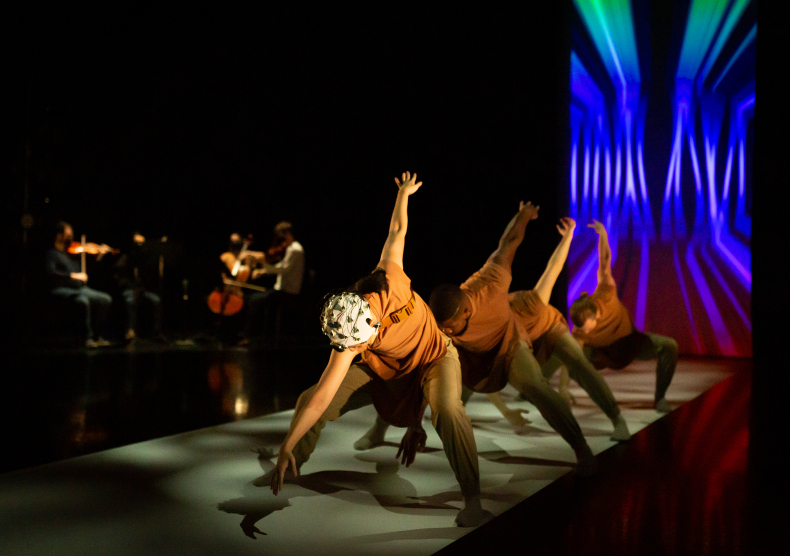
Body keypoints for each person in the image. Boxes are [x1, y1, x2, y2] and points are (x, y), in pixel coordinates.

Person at [270, 172, 490, 527]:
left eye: (355, 345)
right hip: (385, 363)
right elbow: (321, 398)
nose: (349, 350)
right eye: (348, 347)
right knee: (306, 398)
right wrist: (286, 444)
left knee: (448, 410)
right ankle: (292, 462)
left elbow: (397, 232)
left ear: (369, 328)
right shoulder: (350, 335)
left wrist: (403, 193)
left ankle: (473, 498)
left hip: (434, 356)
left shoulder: (389, 277)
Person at [357, 201, 604, 475]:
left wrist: (523, 215)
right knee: (417, 380)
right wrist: (415, 422)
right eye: (443, 328)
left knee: (535, 385)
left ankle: (581, 447)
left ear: (465, 311)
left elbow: (508, 242)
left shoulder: (491, 283)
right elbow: (421, 368)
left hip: (507, 348)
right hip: (467, 356)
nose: (446, 331)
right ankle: (380, 428)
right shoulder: (444, 329)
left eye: (450, 326)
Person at [491, 216, 630, 439]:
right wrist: (507, 412)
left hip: (549, 328)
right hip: (528, 343)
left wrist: (568, 236)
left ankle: (617, 419)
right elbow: (485, 373)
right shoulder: (489, 332)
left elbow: (553, 267)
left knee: (580, 364)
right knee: (535, 385)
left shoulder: (530, 303)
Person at [569, 219, 678, 413]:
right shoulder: (580, 328)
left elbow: (604, 261)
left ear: (596, 315)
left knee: (669, 346)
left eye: (586, 327)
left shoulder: (605, 292)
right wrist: (561, 388)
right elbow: (569, 355)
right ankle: (528, 390)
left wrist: (603, 235)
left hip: (631, 346)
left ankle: (660, 398)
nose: (583, 331)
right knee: (566, 351)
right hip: (601, 355)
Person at [44, 221, 112, 348]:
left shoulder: (71, 255)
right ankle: (87, 338)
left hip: (79, 288)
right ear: (59, 236)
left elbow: (85, 274)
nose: (71, 237)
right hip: (60, 288)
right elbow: (51, 273)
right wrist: (72, 276)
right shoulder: (52, 254)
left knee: (105, 299)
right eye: (68, 234)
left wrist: (98, 258)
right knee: (83, 300)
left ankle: (97, 336)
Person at [239, 222, 305, 342]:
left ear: (288, 234)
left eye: (280, 235)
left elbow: (283, 270)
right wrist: (263, 271)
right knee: (253, 298)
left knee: (255, 300)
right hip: (281, 289)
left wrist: (264, 263)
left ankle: (249, 336)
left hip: (287, 291)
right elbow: (281, 265)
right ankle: (253, 335)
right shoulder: (291, 248)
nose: (279, 240)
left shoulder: (295, 249)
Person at [114, 232, 165, 342]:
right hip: (129, 288)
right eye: (137, 244)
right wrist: (131, 287)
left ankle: (156, 331)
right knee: (130, 300)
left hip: (141, 289)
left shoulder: (144, 259)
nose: (140, 246)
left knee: (156, 300)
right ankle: (130, 330)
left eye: (142, 244)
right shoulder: (125, 257)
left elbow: (147, 279)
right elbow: (120, 278)